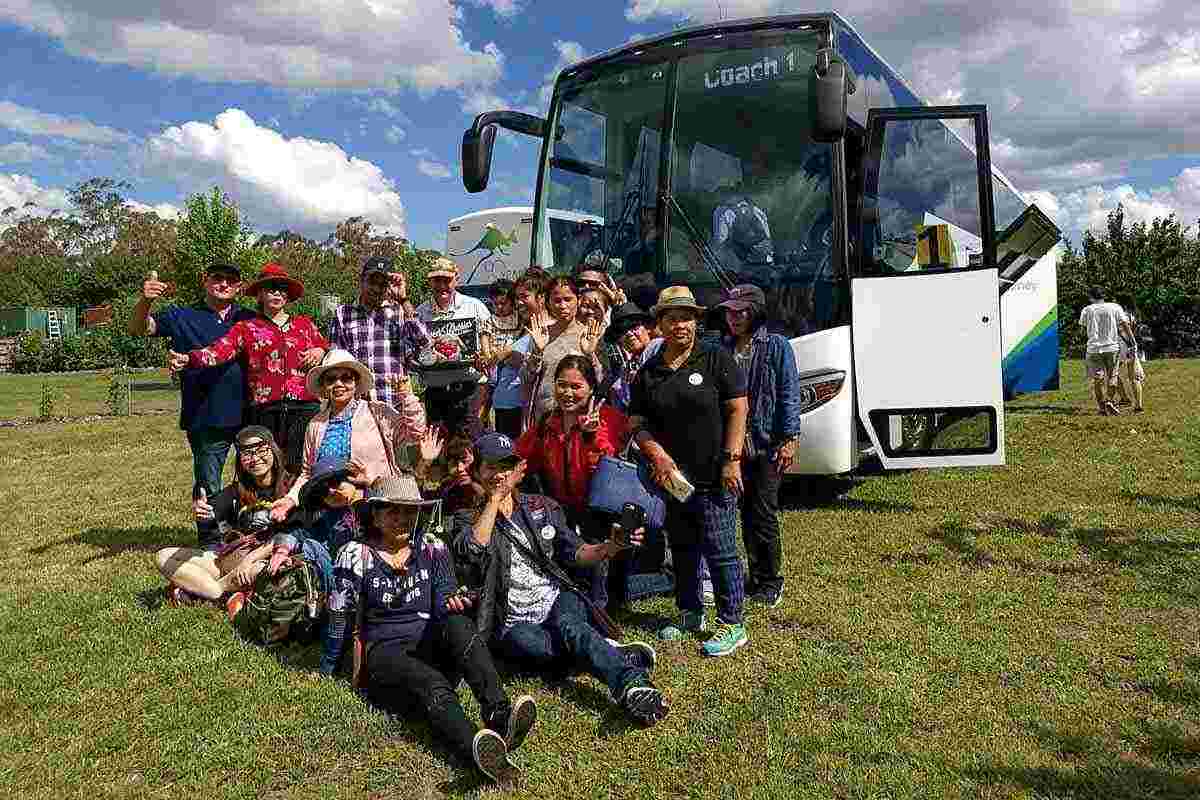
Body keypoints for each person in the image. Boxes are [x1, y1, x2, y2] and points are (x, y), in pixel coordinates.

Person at [322, 474, 537, 784]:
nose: (402, 519)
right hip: (386, 654)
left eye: (409, 511)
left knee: (459, 625)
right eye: (392, 511)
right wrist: (329, 665)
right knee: (431, 680)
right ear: (375, 515)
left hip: (429, 642)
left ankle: (499, 714)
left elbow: (444, 596)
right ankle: (477, 751)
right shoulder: (356, 555)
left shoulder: (432, 546)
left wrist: (453, 603)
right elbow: (339, 614)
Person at [451, 434, 669, 727]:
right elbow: (472, 550)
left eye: (506, 465)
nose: (499, 473)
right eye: (489, 467)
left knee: (569, 624)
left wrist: (611, 546)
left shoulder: (542, 506)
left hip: (557, 598)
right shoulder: (467, 518)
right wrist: (494, 499)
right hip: (512, 620)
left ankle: (632, 685)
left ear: (519, 468)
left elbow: (577, 552)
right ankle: (610, 652)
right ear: (477, 472)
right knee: (536, 650)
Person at [627, 286, 750, 657]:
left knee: (721, 547)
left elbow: (738, 410)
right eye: (672, 317)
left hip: (715, 474)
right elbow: (637, 423)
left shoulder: (716, 359)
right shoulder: (649, 372)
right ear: (659, 323)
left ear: (696, 320)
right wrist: (657, 456)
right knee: (682, 546)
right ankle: (690, 611)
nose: (680, 324)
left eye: (687, 317)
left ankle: (732, 622)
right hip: (674, 480)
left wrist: (732, 459)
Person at [169, 263, 328, 472]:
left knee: (303, 467)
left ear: (288, 296)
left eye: (282, 289)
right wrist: (189, 359)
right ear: (259, 295)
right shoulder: (246, 328)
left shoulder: (304, 325)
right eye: (270, 288)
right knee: (268, 468)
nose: (277, 294)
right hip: (264, 410)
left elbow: (327, 347)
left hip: (304, 409)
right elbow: (218, 351)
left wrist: (320, 352)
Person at [128, 262, 257, 502]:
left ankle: (250, 534)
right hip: (205, 417)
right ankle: (210, 537)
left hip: (249, 414)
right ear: (205, 281)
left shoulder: (249, 318)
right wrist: (145, 301)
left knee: (254, 482)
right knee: (209, 486)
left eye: (231, 280)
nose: (224, 284)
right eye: (217, 278)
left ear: (239, 286)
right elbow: (138, 328)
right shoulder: (181, 315)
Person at [515, 356, 630, 610]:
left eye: (576, 387)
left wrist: (590, 436)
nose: (567, 393)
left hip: (599, 507)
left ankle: (601, 611)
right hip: (561, 505)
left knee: (601, 557)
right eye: (561, 385)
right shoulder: (548, 422)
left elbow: (609, 467)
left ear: (591, 387)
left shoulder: (607, 418)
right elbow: (522, 455)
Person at [716, 284, 800, 607]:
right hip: (733, 445)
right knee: (738, 514)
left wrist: (790, 437)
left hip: (766, 443)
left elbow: (789, 393)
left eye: (741, 312)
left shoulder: (777, 346)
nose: (734, 318)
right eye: (730, 312)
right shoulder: (722, 347)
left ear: (755, 312)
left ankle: (769, 580)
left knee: (762, 513)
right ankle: (752, 576)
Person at [271, 349, 425, 522]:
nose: (338, 384)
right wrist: (290, 500)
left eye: (346, 378)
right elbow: (307, 473)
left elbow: (416, 433)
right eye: (331, 379)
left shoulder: (377, 411)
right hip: (329, 511)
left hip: (377, 507)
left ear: (356, 382)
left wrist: (407, 396)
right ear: (324, 386)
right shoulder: (315, 424)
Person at [155, 426, 294, 605]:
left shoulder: (290, 487)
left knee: (272, 570)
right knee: (163, 556)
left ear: (273, 451)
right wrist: (201, 509)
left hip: (258, 563)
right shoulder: (237, 489)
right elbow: (211, 508)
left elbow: (290, 534)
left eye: (261, 450)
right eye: (247, 453)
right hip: (228, 561)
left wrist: (249, 561)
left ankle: (203, 591)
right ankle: (218, 592)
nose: (255, 458)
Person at [327, 255, 429, 408]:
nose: (376, 288)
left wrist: (404, 300)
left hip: (395, 402)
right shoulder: (343, 314)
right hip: (356, 405)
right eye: (372, 282)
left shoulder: (400, 311)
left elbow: (425, 343)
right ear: (361, 280)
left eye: (382, 284)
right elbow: (335, 361)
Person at [518, 276, 604, 428]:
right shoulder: (541, 334)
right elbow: (526, 379)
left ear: (578, 299)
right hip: (546, 418)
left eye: (567, 299)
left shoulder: (590, 334)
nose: (562, 305)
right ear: (548, 302)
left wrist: (590, 353)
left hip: (580, 420)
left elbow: (599, 380)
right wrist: (537, 351)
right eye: (557, 300)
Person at [1079, 287, 1135, 415]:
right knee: (1113, 376)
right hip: (1112, 347)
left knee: (1097, 379)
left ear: (1090, 297)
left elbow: (1082, 328)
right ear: (1104, 296)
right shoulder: (1115, 307)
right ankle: (1109, 400)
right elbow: (1125, 325)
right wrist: (1132, 341)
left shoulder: (1087, 310)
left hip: (1093, 349)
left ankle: (1101, 408)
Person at [478, 279, 524, 437]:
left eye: (503, 303)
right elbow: (484, 337)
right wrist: (488, 355)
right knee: (488, 384)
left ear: (512, 302)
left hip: (512, 365)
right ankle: (483, 416)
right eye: (495, 304)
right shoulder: (490, 320)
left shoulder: (520, 319)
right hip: (494, 362)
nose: (499, 307)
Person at [414, 427, 487, 516]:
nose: (460, 468)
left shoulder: (494, 488)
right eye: (455, 464)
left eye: (464, 461)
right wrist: (425, 461)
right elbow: (419, 501)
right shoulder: (449, 493)